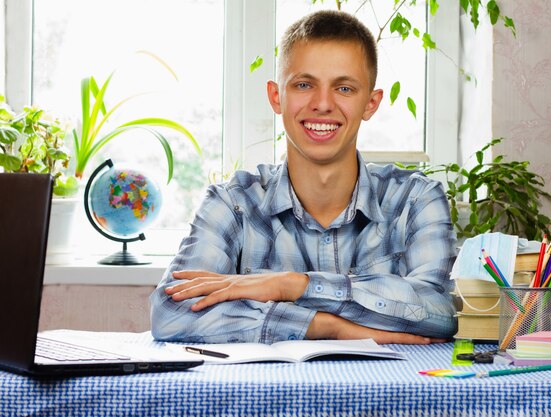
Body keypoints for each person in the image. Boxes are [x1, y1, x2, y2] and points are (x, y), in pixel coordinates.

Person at [150, 10, 457, 345]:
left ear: (371, 103)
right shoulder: (232, 204)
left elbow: (438, 313)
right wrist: (328, 327)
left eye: (343, 87)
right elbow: (171, 313)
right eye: (304, 84)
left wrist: (292, 286)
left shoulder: (415, 199)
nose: (322, 104)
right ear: (276, 96)